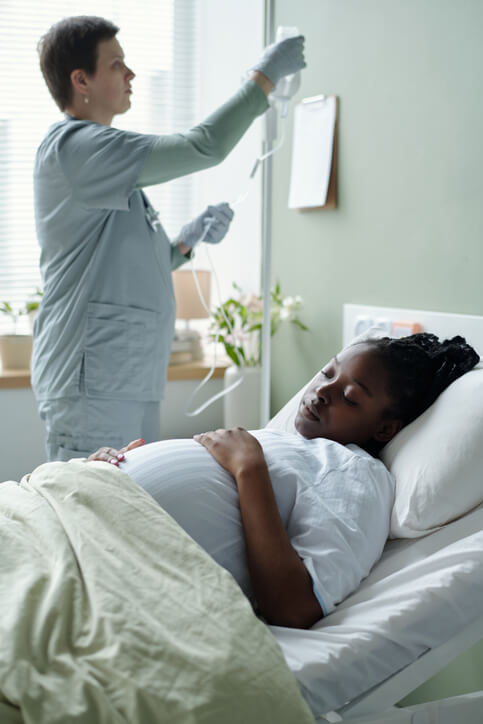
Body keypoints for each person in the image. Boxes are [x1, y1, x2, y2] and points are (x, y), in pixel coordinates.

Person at [32, 16, 306, 462]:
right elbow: (204, 146)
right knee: (90, 511)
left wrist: (185, 242)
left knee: (131, 506)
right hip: (92, 381)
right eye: (117, 63)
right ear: (80, 79)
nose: (131, 74)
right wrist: (264, 79)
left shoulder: (102, 159)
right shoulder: (77, 148)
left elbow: (124, 263)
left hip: (122, 373)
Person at [88, 333, 479, 629]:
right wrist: (109, 468)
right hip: (82, 512)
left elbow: (295, 608)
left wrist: (249, 469)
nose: (322, 390)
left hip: (107, 567)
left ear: (386, 428)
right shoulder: (291, 442)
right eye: (327, 373)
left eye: (349, 395)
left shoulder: (359, 476)